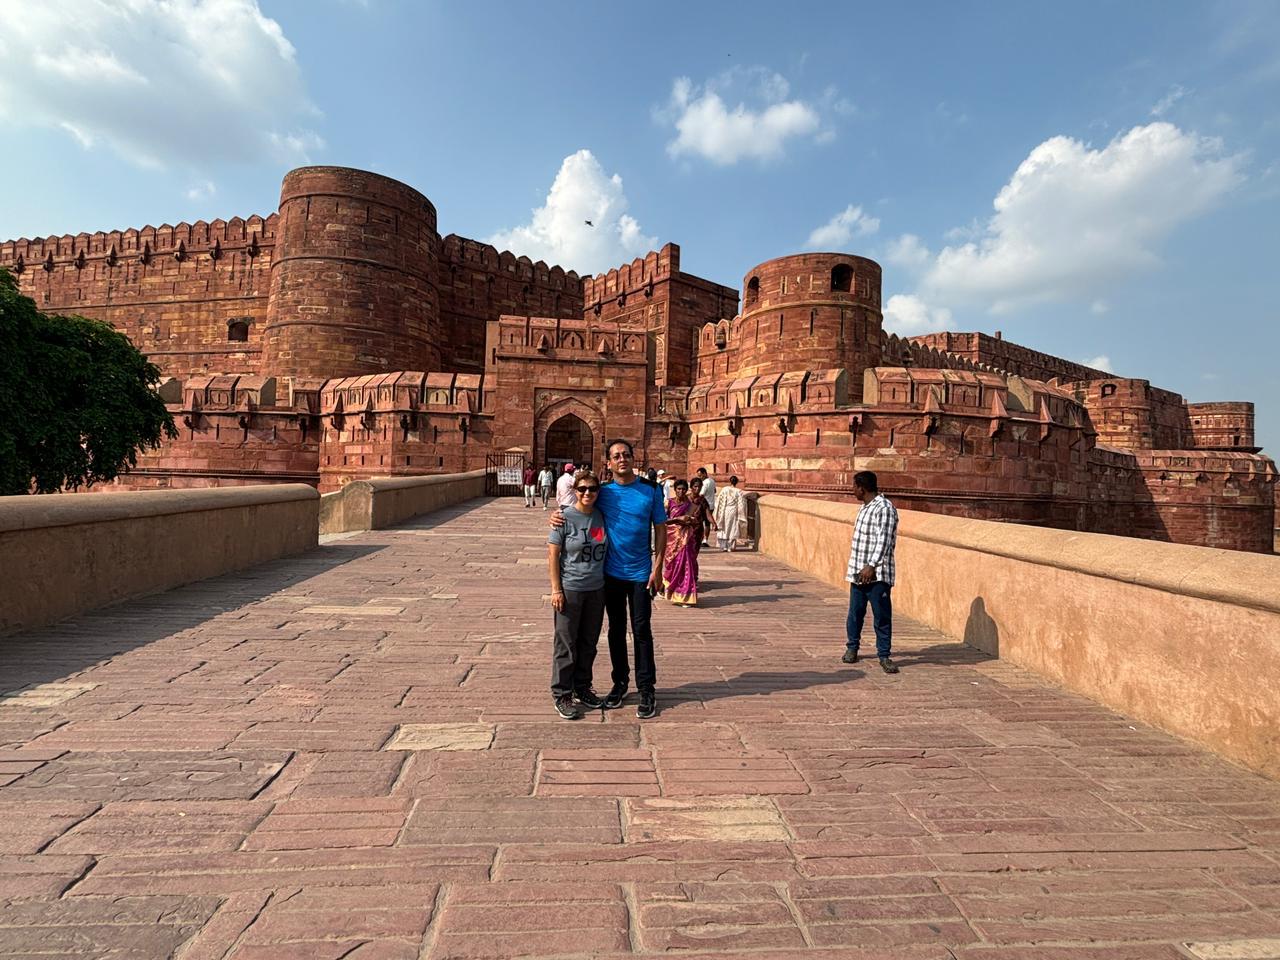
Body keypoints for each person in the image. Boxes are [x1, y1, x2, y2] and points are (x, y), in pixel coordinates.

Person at [551, 438, 666, 719]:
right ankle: (620, 683)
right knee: (615, 630)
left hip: (640, 573)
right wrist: (557, 516)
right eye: (616, 456)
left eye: (626, 454)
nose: (622, 459)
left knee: (641, 631)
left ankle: (647, 688)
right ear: (609, 462)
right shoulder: (604, 492)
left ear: (633, 458)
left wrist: (658, 567)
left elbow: (661, 529)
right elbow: (581, 505)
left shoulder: (651, 491)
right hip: (610, 574)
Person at [546, 469, 608, 719]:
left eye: (592, 489)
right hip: (570, 589)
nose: (587, 493)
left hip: (596, 589)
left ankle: (582, 687)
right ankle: (562, 693)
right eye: (582, 489)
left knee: (588, 642)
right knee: (566, 643)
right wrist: (556, 589)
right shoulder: (564, 517)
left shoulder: (602, 516)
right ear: (575, 491)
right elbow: (553, 554)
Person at [843, 470, 900, 674]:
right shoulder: (865, 507)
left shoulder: (884, 508)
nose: (853, 491)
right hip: (858, 570)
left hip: (877, 573)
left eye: (854, 487)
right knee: (855, 613)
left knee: (881, 616)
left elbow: (884, 540)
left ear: (862, 488)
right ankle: (852, 648)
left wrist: (872, 565)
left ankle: (884, 655)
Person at [662, 479, 703, 606]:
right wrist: (678, 519)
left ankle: (685, 596)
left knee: (686, 565)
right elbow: (663, 520)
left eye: (684, 489)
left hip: (686, 539)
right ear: (675, 489)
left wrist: (690, 520)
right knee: (672, 566)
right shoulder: (669, 503)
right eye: (679, 489)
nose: (681, 491)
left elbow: (697, 521)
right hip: (672, 539)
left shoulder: (691, 505)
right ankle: (671, 590)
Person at [714, 475, 745, 551]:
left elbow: (718, 501)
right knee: (732, 528)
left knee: (724, 528)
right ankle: (730, 547)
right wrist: (741, 515)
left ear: (730, 481)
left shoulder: (725, 489)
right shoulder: (739, 491)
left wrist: (717, 512)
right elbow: (741, 505)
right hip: (733, 511)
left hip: (724, 510)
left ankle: (724, 546)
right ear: (736, 482)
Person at [695, 467, 717, 546]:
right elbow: (715, 491)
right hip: (711, 504)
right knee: (707, 523)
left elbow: (701, 494)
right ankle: (705, 540)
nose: (699, 477)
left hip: (704, 505)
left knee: (699, 522)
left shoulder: (704, 483)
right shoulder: (712, 481)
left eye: (700, 475)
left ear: (704, 473)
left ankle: (700, 539)